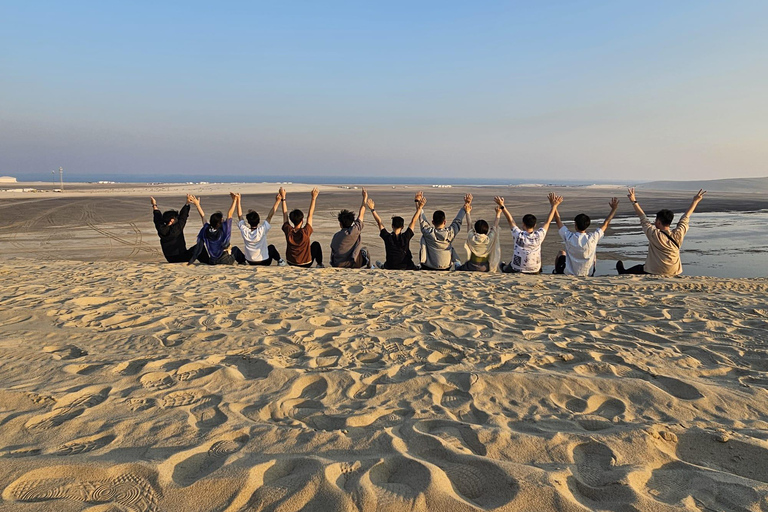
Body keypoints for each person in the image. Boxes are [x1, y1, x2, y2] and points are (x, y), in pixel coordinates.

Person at [616, 188, 706, 276]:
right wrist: (695, 201)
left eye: (656, 221)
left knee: (639, 268)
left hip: (654, 271)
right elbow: (685, 217)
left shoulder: (654, 234)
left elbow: (643, 218)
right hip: (674, 271)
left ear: (659, 222)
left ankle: (623, 272)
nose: (654, 222)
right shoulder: (678, 234)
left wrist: (633, 201)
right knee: (641, 267)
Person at [553, 197, 620, 276]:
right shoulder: (593, 238)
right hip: (588, 273)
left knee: (561, 253)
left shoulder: (569, 236)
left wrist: (554, 206)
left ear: (576, 225)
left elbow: (558, 221)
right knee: (594, 255)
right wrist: (614, 209)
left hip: (570, 272)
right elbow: (606, 223)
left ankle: (557, 272)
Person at [497, 193, 562, 274]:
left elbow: (510, 220)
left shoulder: (518, 235)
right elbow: (548, 221)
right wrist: (554, 206)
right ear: (535, 225)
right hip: (534, 269)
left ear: (523, 224)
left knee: (503, 266)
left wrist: (502, 206)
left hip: (517, 268)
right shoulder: (539, 235)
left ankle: (504, 268)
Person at [368, 194, 422, 270]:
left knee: (379, 263)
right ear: (402, 227)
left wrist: (372, 209)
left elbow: (379, 222)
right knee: (418, 266)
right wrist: (420, 207)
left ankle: (382, 266)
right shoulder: (405, 236)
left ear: (392, 226)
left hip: (390, 266)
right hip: (406, 266)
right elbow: (413, 221)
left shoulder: (387, 237)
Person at [418, 192, 471, 271]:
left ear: (432, 222)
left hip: (429, 266)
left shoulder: (428, 232)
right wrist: (466, 204)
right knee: (450, 248)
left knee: (424, 238)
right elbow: (458, 220)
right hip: (446, 266)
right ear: (444, 222)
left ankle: (421, 262)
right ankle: (457, 263)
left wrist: (418, 204)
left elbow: (421, 218)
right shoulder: (450, 233)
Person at [151, 195, 209, 263]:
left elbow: (157, 219)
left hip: (170, 259)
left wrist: (154, 205)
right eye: (176, 218)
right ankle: (208, 263)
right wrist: (187, 203)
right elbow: (183, 217)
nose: (177, 219)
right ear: (172, 220)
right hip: (181, 257)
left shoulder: (161, 228)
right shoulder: (177, 229)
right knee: (200, 247)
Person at [188, 193, 243, 265]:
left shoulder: (206, 230)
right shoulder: (224, 230)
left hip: (212, 261)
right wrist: (235, 200)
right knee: (235, 250)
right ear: (219, 222)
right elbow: (230, 214)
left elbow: (203, 217)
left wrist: (197, 205)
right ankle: (243, 262)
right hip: (225, 260)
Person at [233, 190, 286, 266]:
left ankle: (242, 262)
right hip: (265, 261)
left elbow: (240, 216)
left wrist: (238, 201)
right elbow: (270, 216)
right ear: (258, 221)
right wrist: (277, 201)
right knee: (271, 247)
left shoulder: (245, 231)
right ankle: (280, 261)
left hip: (250, 261)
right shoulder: (262, 230)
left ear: (248, 221)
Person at [281, 187, 324, 268]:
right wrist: (313, 198)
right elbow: (310, 215)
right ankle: (319, 264)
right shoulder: (305, 232)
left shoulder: (288, 231)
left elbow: (285, 214)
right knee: (316, 245)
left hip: (291, 262)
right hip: (306, 263)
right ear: (302, 220)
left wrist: (283, 198)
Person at [330, 189, 370, 268]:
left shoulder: (336, 236)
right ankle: (369, 267)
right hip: (352, 264)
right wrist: (365, 198)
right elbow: (361, 214)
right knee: (365, 250)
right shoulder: (354, 231)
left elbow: (333, 250)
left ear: (340, 224)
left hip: (338, 264)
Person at [457, 202, 502, 272]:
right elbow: (495, 227)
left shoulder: (472, 238)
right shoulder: (489, 239)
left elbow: (469, 224)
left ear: (475, 229)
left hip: (471, 266)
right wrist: (498, 213)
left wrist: (468, 212)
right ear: (487, 230)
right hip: (485, 268)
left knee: (458, 266)